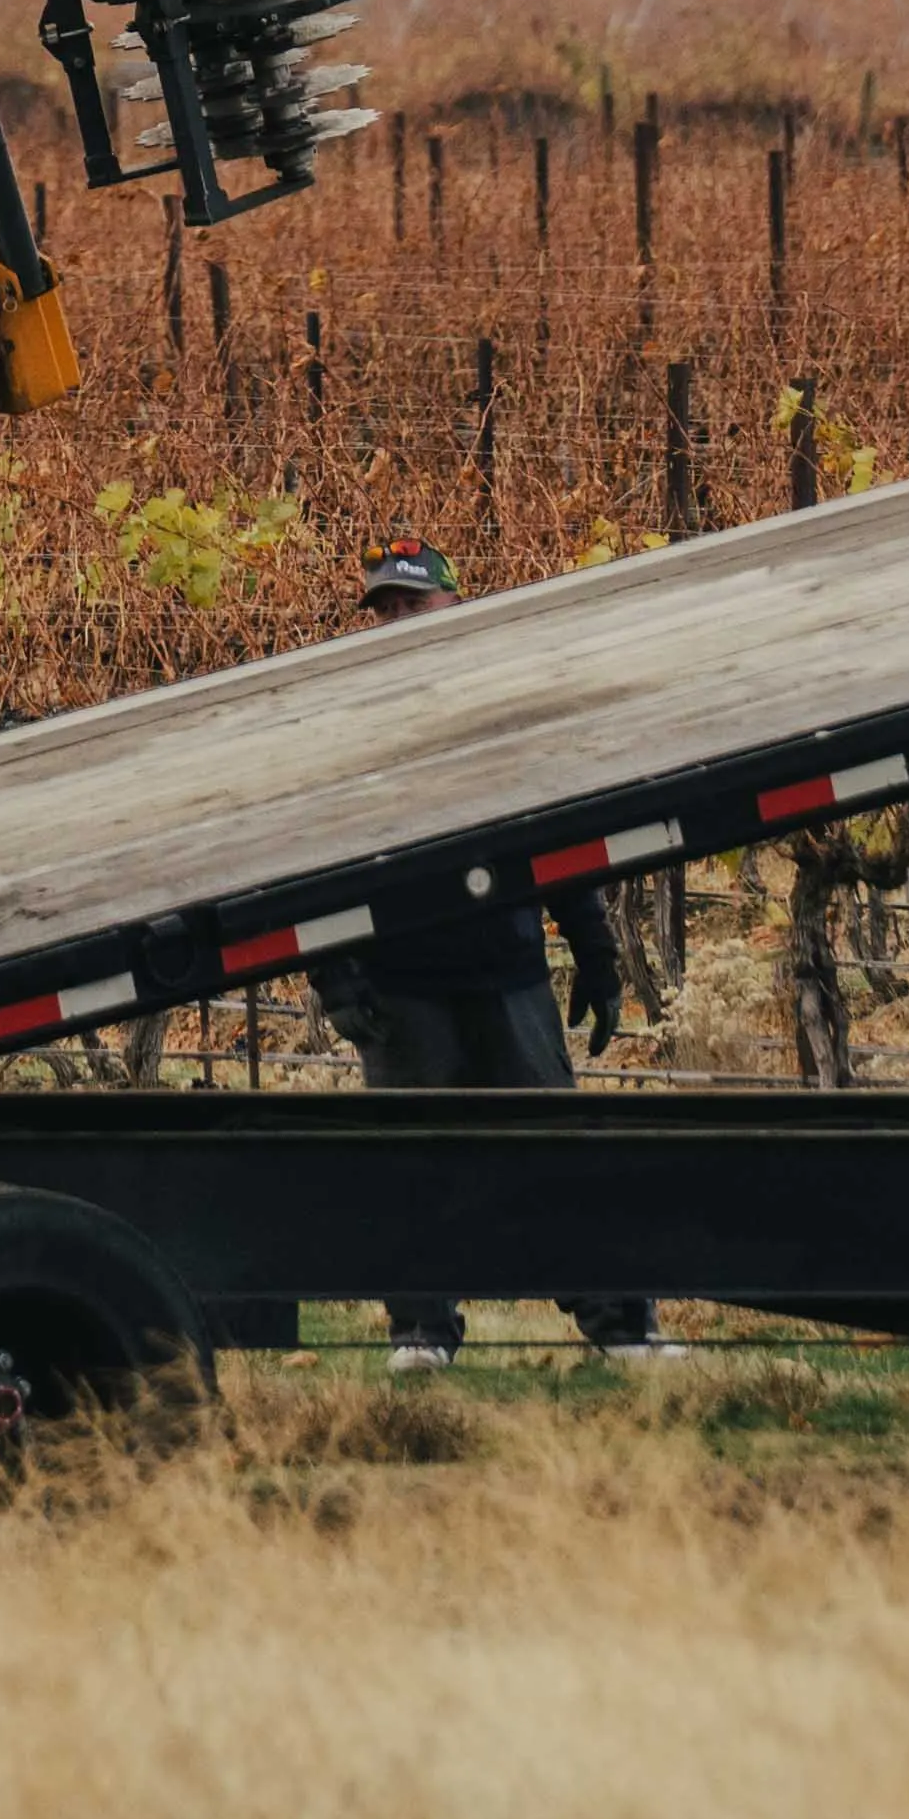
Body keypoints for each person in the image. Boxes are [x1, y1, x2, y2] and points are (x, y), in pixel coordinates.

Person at [310, 553, 655, 1357]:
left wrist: (596, 953)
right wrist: (336, 977)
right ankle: (421, 1331)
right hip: (402, 987)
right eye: (384, 608)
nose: (397, 620)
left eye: (413, 602)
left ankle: (622, 1326)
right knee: (413, 1169)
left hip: (509, 976)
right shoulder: (352, 725)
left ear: (455, 601)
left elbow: (554, 835)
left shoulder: (501, 706)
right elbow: (321, 853)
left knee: (558, 1157)